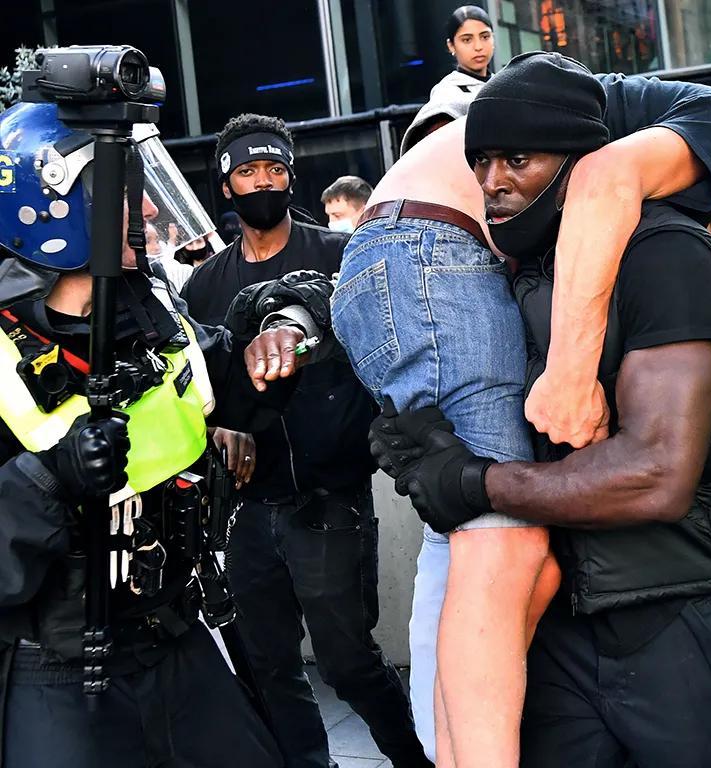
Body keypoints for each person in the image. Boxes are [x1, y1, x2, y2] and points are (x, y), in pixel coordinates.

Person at [332, 50, 711, 766]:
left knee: (505, 551)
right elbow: (607, 180)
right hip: (429, 242)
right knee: (500, 543)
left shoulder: (634, 235)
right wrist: (569, 377)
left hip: (413, 247)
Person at [0, 101, 336, 768]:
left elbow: (242, 369)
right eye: (124, 193)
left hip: (178, 642)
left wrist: (288, 328)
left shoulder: (151, 316)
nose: (147, 211)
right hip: (60, 672)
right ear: (54, 206)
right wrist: (45, 478)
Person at [180, 114, 428, 768]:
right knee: (269, 667)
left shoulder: (338, 256)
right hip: (247, 508)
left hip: (330, 496)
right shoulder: (203, 286)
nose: (263, 181)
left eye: (274, 169)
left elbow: (381, 350)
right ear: (225, 186)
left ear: (291, 174)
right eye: (247, 172)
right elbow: (201, 390)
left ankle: (414, 760)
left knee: (348, 663)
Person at [400, 5, 494, 155]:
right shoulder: (447, 95)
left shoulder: (505, 83)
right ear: (451, 45)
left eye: (485, 37)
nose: (478, 46)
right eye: (467, 40)